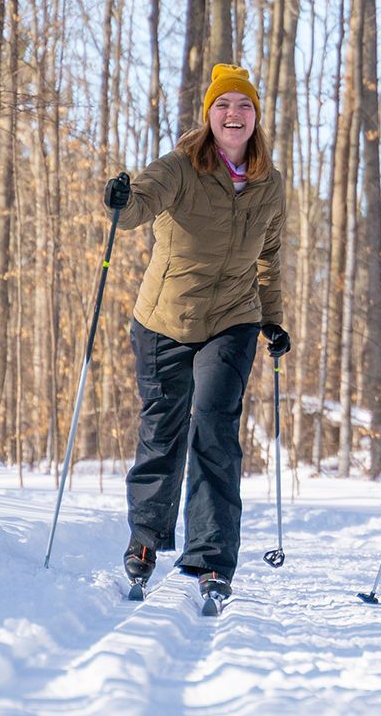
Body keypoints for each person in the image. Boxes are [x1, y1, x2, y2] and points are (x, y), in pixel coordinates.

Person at [103, 63, 289, 604]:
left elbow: (271, 259)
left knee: (214, 428)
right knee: (163, 428)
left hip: (233, 318)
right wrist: (119, 197)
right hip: (164, 319)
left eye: (245, 107)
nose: (235, 115)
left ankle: (211, 558)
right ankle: (145, 539)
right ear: (210, 116)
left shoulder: (268, 184)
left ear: (256, 118)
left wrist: (273, 318)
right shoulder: (181, 167)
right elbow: (138, 203)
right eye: (225, 106)